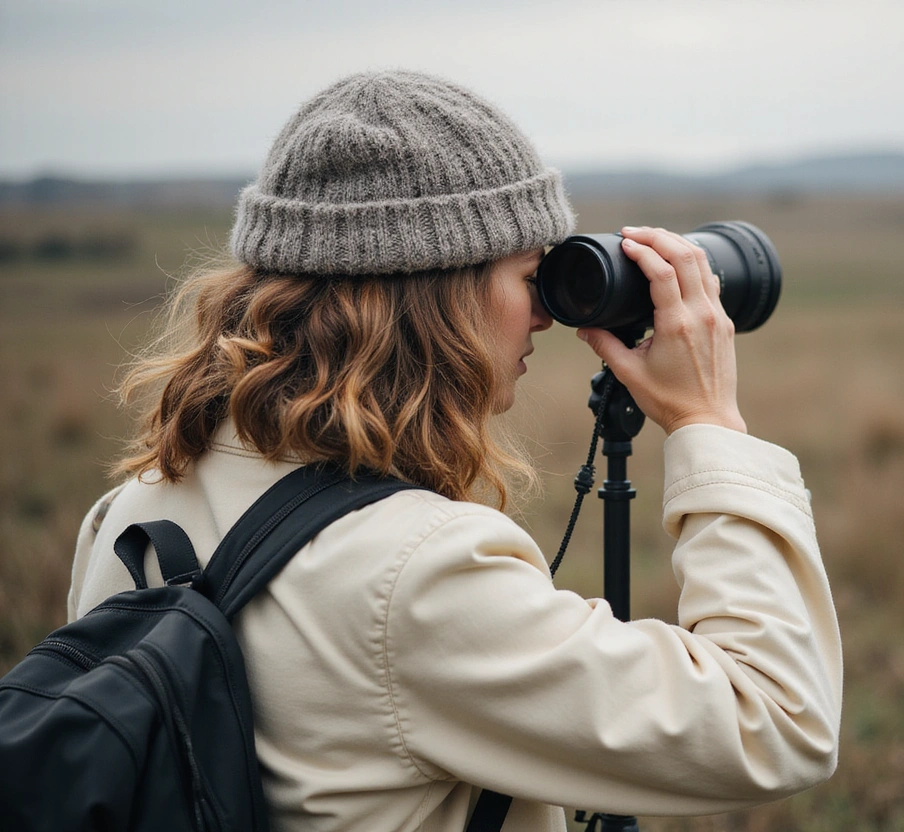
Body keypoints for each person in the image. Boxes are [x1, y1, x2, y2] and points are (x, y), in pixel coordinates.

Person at [66, 70, 842, 831]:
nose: (547, 316)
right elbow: (772, 721)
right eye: (532, 276)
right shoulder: (415, 577)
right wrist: (710, 422)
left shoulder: (129, 511)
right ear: (444, 294)